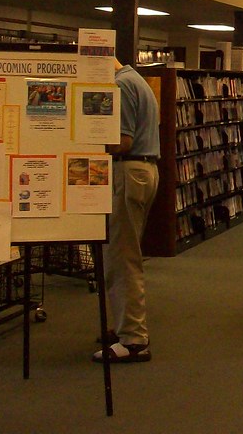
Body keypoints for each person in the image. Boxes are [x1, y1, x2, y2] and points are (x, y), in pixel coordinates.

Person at [92, 58, 160, 363]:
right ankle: (125, 327)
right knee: (124, 252)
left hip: (127, 171)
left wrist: (84, 141)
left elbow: (122, 141)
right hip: (142, 171)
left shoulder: (119, 85)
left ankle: (133, 339)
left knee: (122, 256)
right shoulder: (136, 79)